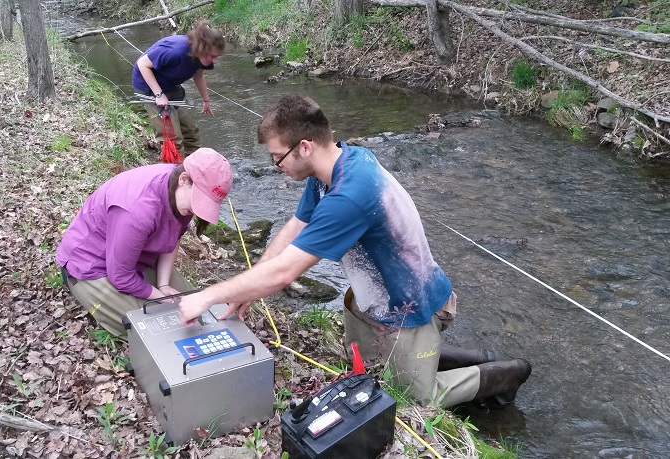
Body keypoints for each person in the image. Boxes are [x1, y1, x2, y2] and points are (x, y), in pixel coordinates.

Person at [179, 95, 532, 408]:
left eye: (277, 157)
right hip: (371, 299)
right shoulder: (334, 167)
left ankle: (505, 374)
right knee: (367, 366)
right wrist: (247, 291)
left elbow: (286, 273)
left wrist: (208, 296)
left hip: (413, 306)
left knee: (415, 396)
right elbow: (295, 227)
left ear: (304, 146)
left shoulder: (350, 194)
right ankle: (468, 356)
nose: (276, 167)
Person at [56, 148, 233, 336]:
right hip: (91, 263)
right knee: (155, 327)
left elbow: (174, 237)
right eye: (198, 201)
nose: (197, 210)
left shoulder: (178, 192)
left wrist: (164, 285)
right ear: (183, 179)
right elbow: (121, 276)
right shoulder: (137, 210)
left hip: (138, 253)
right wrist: (161, 298)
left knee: (201, 310)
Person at [132, 20, 225, 157]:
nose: (214, 60)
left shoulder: (204, 57)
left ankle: (192, 170)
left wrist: (206, 101)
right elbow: (142, 64)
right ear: (201, 48)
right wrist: (158, 95)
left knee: (191, 134)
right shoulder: (176, 51)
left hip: (171, 85)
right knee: (173, 139)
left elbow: (198, 75)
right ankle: (175, 175)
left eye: (216, 56)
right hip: (150, 87)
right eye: (212, 56)